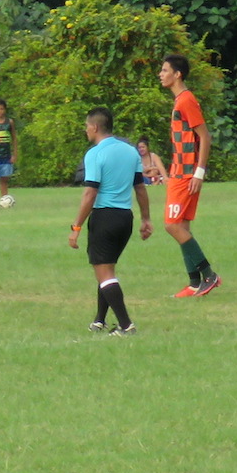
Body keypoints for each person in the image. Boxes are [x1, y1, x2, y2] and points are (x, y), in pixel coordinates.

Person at [68, 108, 153, 336]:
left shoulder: (95, 154)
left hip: (104, 217)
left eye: (87, 126)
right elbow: (140, 188)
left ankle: (126, 325)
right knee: (106, 268)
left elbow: (90, 193)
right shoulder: (130, 151)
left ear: (95, 127)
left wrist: (76, 227)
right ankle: (99, 320)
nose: (86, 130)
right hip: (125, 218)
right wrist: (146, 219)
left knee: (105, 273)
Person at [159, 56, 220, 298]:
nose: (161, 74)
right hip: (178, 172)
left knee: (172, 225)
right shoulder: (179, 101)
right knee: (182, 226)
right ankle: (195, 283)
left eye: (165, 70)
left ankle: (209, 275)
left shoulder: (186, 100)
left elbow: (204, 136)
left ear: (178, 74)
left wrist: (199, 172)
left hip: (185, 174)